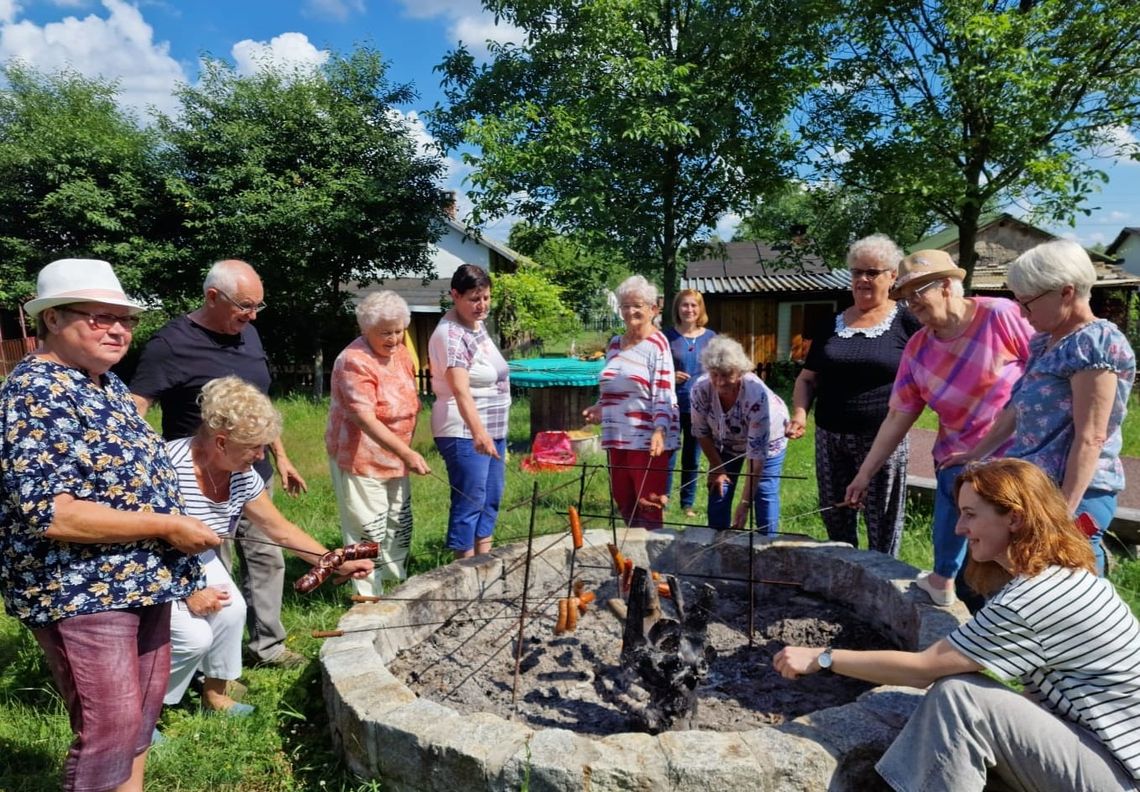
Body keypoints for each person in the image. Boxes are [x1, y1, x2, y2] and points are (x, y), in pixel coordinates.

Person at [775, 459, 1140, 791]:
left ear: (1013, 517)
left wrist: (823, 658)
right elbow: (1037, 698)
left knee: (960, 697)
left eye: (970, 514)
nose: (960, 527)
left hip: (1121, 775)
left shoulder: (1033, 598)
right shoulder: (1060, 576)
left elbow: (923, 670)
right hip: (1104, 755)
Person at [0, 259, 220, 792]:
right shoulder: (38, 392)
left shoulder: (108, 386)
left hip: (143, 578)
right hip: (80, 589)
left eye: (125, 319)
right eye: (99, 317)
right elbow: (49, 510)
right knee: (110, 728)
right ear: (51, 319)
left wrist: (170, 526)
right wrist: (166, 526)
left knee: (140, 720)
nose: (118, 329)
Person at [131, 259, 308, 668]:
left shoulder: (249, 335)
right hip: (198, 483)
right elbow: (136, 409)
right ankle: (207, 663)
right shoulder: (170, 344)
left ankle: (268, 646)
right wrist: (146, 470)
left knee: (268, 556)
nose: (251, 316)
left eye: (257, 307)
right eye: (244, 306)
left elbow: (258, 406)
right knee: (213, 572)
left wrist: (281, 456)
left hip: (251, 472)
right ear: (213, 297)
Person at [163, 377, 372, 720]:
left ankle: (214, 696)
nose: (262, 456)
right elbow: (144, 539)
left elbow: (280, 530)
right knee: (192, 636)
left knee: (232, 612)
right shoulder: (167, 465)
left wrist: (336, 562)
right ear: (220, 442)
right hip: (151, 561)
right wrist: (187, 591)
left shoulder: (242, 475)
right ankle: (142, 711)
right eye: (254, 448)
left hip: (196, 559)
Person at [844, 250, 1033, 608]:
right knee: (957, 566)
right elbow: (899, 416)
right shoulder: (917, 348)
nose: (912, 303)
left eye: (918, 292)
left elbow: (1043, 370)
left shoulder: (999, 315)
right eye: (905, 296)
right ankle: (952, 597)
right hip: (954, 465)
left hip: (1011, 464)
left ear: (947, 285)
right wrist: (864, 474)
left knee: (1008, 563)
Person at [944, 240, 1135, 575]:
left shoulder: (1094, 344)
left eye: (1027, 301)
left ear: (1066, 292)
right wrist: (976, 453)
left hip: (1072, 492)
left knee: (1067, 585)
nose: (1020, 310)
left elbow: (1091, 436)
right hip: (1033, 485)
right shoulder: (1044, 342)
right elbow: (1016, 410)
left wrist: (1062, 513)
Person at [787, 234, 921, 556]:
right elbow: (807, 380)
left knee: (882, 523)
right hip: (830, 438)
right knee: (836, 517)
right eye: (856, 272)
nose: (862, 279)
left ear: (891, 277)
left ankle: (883, 584)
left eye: (872, 272)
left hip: (881, 439)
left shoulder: (907, 321)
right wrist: (800, 414)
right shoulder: (832, 324)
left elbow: (929, 377)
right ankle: (845, 579)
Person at [327, 291, 430, 594]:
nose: (395, 339)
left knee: (399, 520)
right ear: (365, 329)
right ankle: (367, 592)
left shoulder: (400, 354)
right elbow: (364, 418)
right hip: (361, 455)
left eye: (399, 331)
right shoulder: (353, 361)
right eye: (386, 333)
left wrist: (404, 451)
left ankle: (396, 582)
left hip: (397, 455)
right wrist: (406, 452)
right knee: (368, 526)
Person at [583, 275, 679, 529]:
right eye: (625, 305)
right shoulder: (615, 343)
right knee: (623, 500)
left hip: (646, 438)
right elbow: (612, 385)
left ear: (653, 309)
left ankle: (652, 561)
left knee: (648, 503)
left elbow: (664, 392)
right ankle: (632, 563)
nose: (630, 311)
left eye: (637, 305)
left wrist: (659, 430)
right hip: (616, 435)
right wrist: (599, 407)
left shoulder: (657, 345)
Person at [429, 264, 511, 559]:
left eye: (486, 297)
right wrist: (479, 433)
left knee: (490, 498)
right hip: (464, 431)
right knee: (470, 501)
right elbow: (460, 390)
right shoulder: (451, 336)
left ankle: (483, 561)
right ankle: (463, 569)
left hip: (492, 428)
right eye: (474, 299)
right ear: (455, 295)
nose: (482, 305)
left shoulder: (476, 325)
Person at [690, 336, 788, 532]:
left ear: (741, 371)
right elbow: (701, 432)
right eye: (715, 374)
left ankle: (767, 546)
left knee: (763, 491)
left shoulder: (755, 396)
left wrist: (744, 503)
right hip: (725, 439)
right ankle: (716, 544)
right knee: (719, 487)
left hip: (769, 438)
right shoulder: (700, 389)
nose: (720, 382)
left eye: (727, 375)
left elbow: (756, 459)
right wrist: (717, 467)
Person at [665, 289, 716, 518]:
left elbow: (718, 370)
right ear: (677, 308)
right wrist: (670, 376)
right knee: (668, 455)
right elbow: (655, 370)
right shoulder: (666, 337)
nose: (689, 310)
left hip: (699, 408)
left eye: (694, 305)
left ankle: (687, 503)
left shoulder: (711, 337)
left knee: (692, 458)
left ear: (700, 309)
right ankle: (662, 499)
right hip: (672, 405)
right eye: (684, 305)